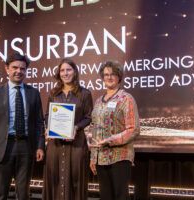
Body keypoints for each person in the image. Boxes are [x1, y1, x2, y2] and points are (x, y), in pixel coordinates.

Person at [0, 52, 45, 200]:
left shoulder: (33, 93)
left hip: (26, 147)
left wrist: (40, 146)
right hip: (3, 148)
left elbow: (39, 123)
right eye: (15, 67)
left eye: (22, 68)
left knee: (23, 194)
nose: (19, 71)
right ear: (6, 69)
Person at [42, 58, 93, 200]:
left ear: (75, 72)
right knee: (54, 179)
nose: (65, 73)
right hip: (55, 145)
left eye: (68, 69)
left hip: (76, 143)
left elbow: (89, 117)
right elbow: (47, 115)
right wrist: (49, 127)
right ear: (59, 73)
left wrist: (76, 127)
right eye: (62, 70)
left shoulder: (85, 93)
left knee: (76, 180)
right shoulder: (53, 93)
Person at [89, 60, 140, 200]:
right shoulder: (99, 101)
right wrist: (93, 158)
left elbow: (133, 129)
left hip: (120, 157)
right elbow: (95, 129)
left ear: (119, 77)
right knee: (105, 196)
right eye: (106, 75)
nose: (109, 77)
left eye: (113, 74)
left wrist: (111, 140)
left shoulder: (126, 98)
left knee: (120, 196)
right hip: (100, 158)